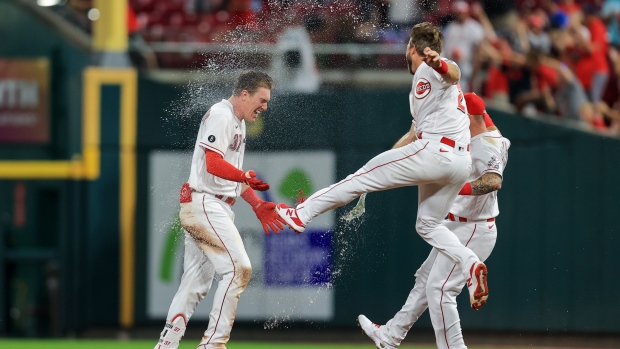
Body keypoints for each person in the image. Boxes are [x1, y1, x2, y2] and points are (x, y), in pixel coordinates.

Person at [275, 22, 489, 310]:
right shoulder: (427, 93)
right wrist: (382, 172)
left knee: (358, 178)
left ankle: (301, 214)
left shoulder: (431, 69)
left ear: (413, 47)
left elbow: (453, 73)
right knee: (427, 225)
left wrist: (438, 63)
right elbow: (413, 134)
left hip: (436, 152)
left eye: (407, 47)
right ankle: (470, 263)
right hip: (458, 161)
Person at [357, 93, 511, 349]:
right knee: (424, 280)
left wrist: (455, 186)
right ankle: (390, 336)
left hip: (473, 228)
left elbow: (494, 181)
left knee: (440, 291)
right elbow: (479, 114)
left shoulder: (485, 144)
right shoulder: (494, 133)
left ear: (468, 118)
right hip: (460, 224)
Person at [154, 70, 285, 349]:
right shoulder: (222, 115)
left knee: (194, 286)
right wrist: (242, 177)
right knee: (239, 269)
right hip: (206, 204)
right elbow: (213, 164)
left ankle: (166, 345)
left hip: (209, 203)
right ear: (244, 94)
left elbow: (232, 175)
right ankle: (213, 344)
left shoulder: (237, 121)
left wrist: (258, 205)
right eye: (262, 100)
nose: (265, 107)